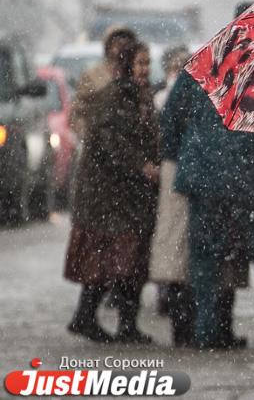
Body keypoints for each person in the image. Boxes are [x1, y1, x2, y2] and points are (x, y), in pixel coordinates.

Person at [163, 70, 254, 351]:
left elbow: (170, 120)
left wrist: (183, 153)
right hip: (249, 180)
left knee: (205, 259)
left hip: (204, 178)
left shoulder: (199, 70)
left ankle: (205, 331)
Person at [64, 40, 160, 344]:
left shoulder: (141, 97)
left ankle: (125, 324)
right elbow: (109, 142)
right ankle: (86, 317)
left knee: (131, 263)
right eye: (140, 63)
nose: (145, 70)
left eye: (147, 63)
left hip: (129, 195)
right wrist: (140, 165)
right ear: (126, 66)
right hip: (108, 196)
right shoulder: (115, 97)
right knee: (110, 261)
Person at [149, 47, 196, 346]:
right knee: (178, 251)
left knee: (177, 251)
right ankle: (183, 323)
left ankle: (183, 321)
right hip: (180, 171)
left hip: (179, 170)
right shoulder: (182, 91)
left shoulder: (179, 93)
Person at [69, 26, 137, 138]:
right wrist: (88, 135)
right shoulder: (92, 75)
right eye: (117, 44)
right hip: (100, 141)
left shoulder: (136, 75)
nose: (122, 49)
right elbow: (78, 111)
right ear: (108, 47)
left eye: (127, 44)